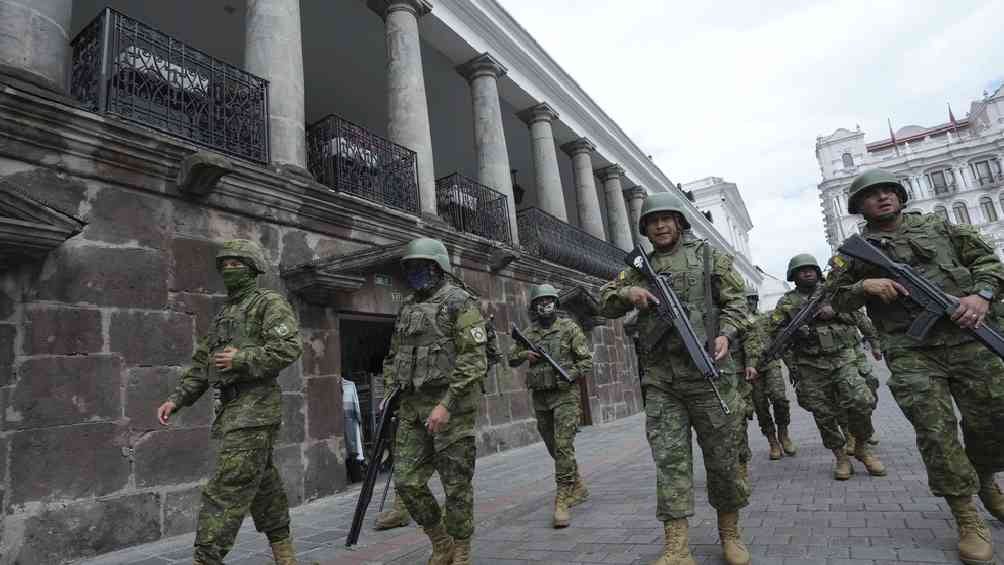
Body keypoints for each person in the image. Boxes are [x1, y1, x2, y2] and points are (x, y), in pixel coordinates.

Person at [828, 168, 1004, 564]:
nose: (883, 198)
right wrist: (863, 287)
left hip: (969, 337)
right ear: (859, 206)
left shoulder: (940, 227)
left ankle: (986, 479)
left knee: (994, 419)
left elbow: (988, 262)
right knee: (935, 431)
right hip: (911, 349)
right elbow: (832, 300)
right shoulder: (852, 253)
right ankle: (966, 517)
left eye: (889, 191)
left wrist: (982, 295)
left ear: (901, 196)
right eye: (873, 195)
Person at [599, 191, 751, 565]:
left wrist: (726, 334)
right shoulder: (639, 268)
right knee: (670, 462)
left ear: (680, 222)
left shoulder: (709, 258)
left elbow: (738, 303)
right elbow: (604, 300)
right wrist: (629, 291)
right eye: (653, 221)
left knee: (722, 460)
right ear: (646, 229)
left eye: (667, 218)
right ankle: (677, 546)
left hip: (709, 377)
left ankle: (729, 533)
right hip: (662, 381)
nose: (661, 225)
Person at [156, 239, 303, 565]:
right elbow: (202, 366)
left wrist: (242, 359)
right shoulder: (224, 315)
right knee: (264, 485)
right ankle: (286, 557)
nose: (229, 269)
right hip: (233, 410)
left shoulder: (268, 302)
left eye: (237, 264)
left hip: (256, 409)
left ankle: (206, 558)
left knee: (227, 486)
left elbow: (289, 348)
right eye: (225, 264)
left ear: (252, 268)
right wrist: (176, 399)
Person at [381, 238, 487, 565]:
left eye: (421, 266)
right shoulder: (408, 305)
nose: (414, 273)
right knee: (407, 482)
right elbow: (394, 354)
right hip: (413, 408)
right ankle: (440, 540)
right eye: (410, 267)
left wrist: (447, 403)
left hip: (450, 408)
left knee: (456, 485)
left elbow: (474, 360)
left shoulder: (460, 303)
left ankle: (462, 549)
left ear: (437, 267)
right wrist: (389, 390)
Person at [765, 253, 886, 481]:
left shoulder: (833, 292)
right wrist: (795, 335)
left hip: (843, 358)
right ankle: (840, 457)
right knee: (824, 414)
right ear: (794, 276)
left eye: (811, 268)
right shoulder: (787, 303)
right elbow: (774, 332)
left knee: (862, 401)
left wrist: (836, 311)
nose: (807, 272)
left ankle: (862, 446)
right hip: (810, 365)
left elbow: (858, 316)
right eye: (801, 270)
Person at [509, 283, 593, 528]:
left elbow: (586, 361)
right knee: (553, 445)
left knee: (564, 445)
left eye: (548, 301)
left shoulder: (569, 329)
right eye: (540, 302)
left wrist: (570, 373)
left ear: (556, 304)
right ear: (534, 307)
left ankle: (562, 498)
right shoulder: (529, 334)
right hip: (541, 397)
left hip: (565, 395)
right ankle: (577, 484)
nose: (544, 305)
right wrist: (526, 355)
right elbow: (511, 357)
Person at [746, 293, 796, 460]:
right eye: (747, 299)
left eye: (753, 299)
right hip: (750, 371)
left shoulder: (767, 318)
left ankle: (783, 433)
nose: (750, 302)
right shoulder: (737, 322)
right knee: (761, 407)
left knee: (780, 399)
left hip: (771, 364)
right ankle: (772, 441)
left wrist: (792, 367)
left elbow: (781, 341)